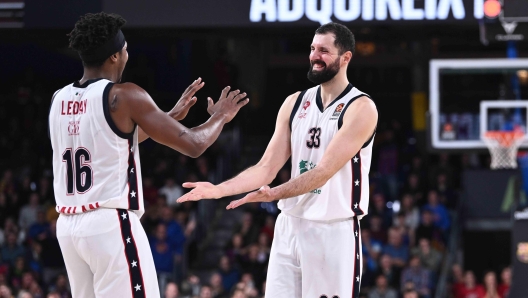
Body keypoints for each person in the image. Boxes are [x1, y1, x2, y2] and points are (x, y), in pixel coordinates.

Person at [48, 12, 249, 298]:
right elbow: (194, 144)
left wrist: (167, 118)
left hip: (69, 228)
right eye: (126, 48)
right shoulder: (124, 95)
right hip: (109, 224)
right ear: (115, 56)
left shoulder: (59, 98)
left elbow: (111, 142)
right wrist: (220, 117)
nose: (128, 53)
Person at [178, 22, 377, 297]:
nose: (314, 56)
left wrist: (273, 194)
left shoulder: (361, 108)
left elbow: (323, 171)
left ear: (346, 58)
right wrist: (219, 190)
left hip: (332, 230)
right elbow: (266, 167)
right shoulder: (294, 103)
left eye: (324, 51)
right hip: (289, 227)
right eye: (312, 49)